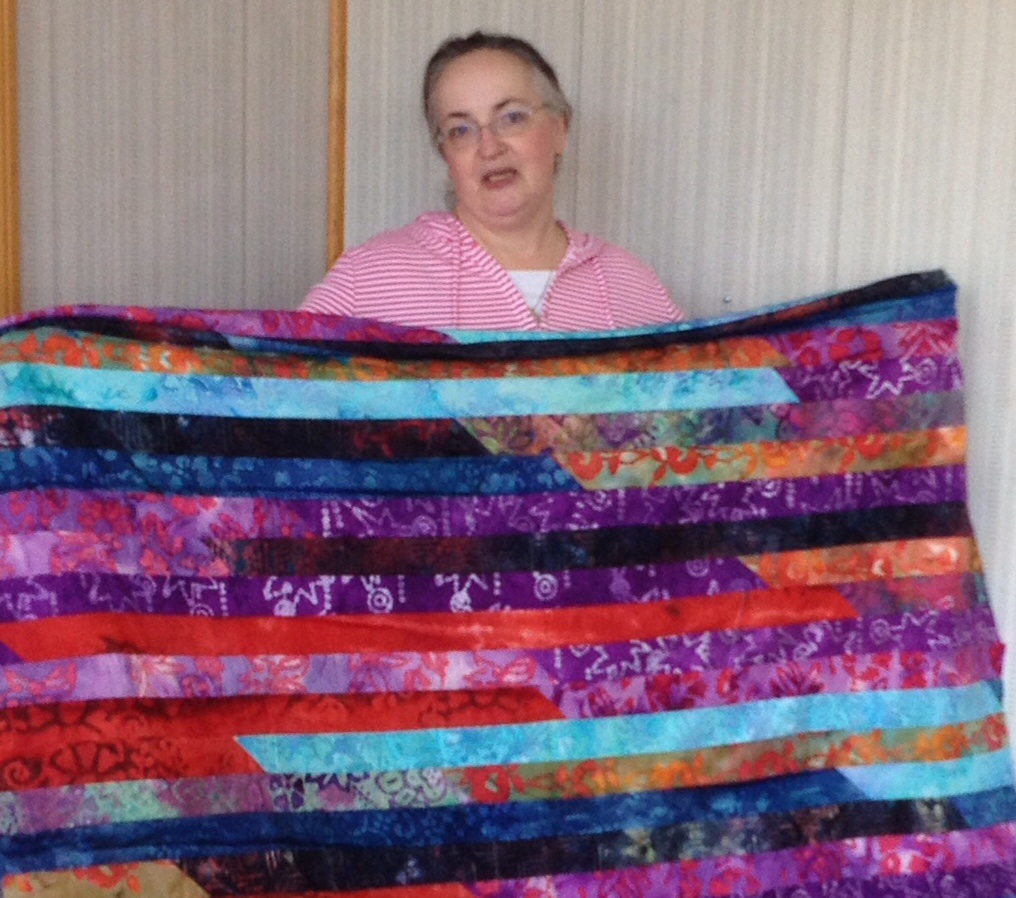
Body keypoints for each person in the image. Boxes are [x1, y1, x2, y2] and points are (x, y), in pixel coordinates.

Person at [301, 31, 683, 331]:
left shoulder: (631, 285)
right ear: (446, 155)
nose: (489, 147)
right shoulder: (368, 277)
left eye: (512, 117)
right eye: (461, 129)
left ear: (560, 129)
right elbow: (286, 391)